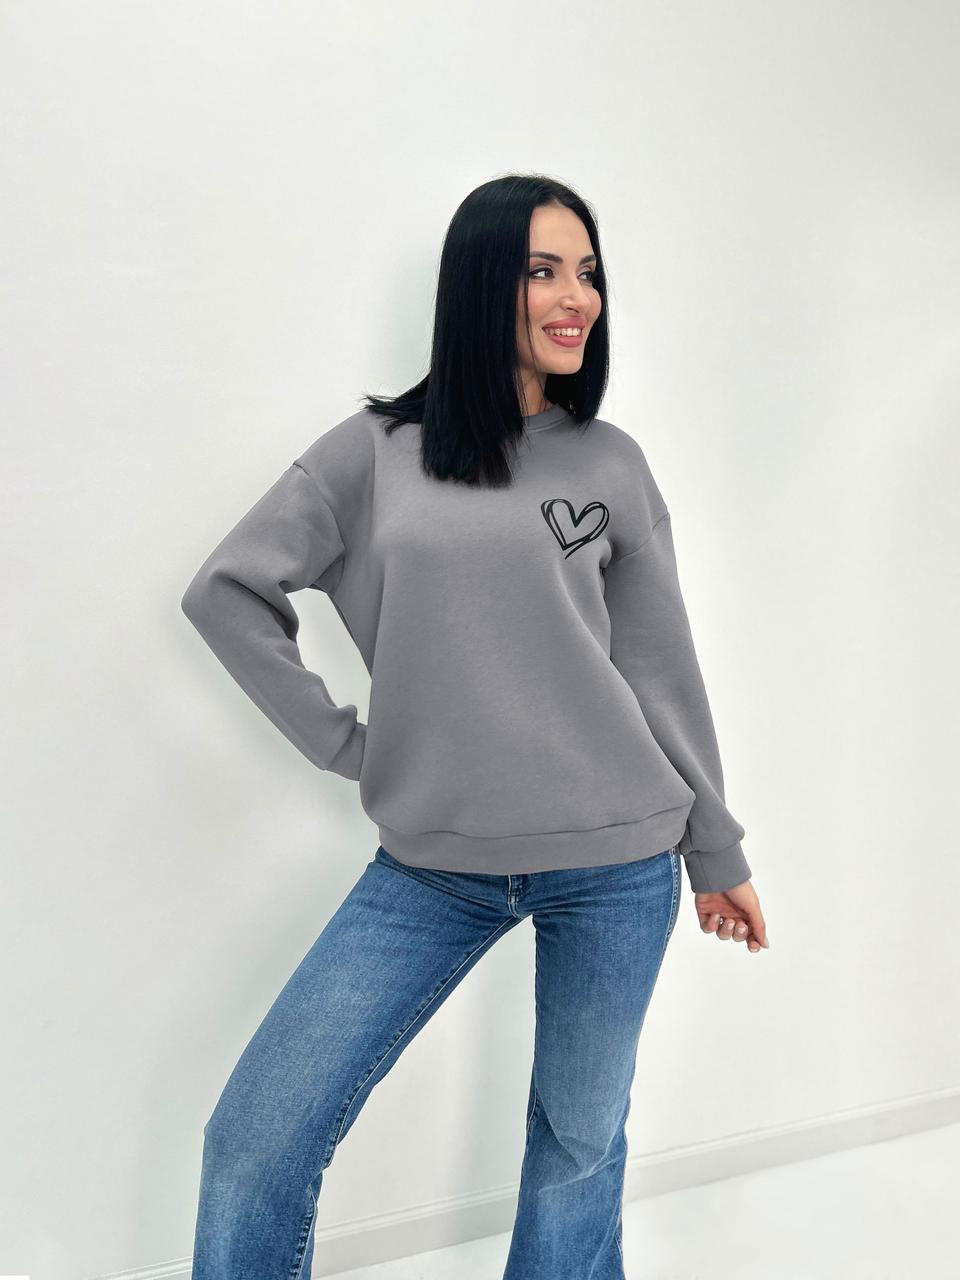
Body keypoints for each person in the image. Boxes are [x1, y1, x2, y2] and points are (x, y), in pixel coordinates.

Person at [181, 172, 769, 1280]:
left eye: (587, 272)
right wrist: (348, 744)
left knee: (576, 1152)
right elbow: (228, 592)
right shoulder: (372, 452)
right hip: (432, 868)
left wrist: (716, 850)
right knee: (255, 1140)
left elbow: (659, 669)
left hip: (618, 862)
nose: (576, 297)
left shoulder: (610, 462)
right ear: (480, 284)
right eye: (543, 270)